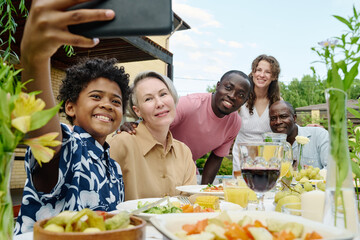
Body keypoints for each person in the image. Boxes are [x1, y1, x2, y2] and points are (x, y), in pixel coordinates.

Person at [15, 0, 129, 234]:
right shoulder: (67, 144)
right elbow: (44, 132)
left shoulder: (115, 168)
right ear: (70, 107)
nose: (107, 105)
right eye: (96, 96)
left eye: (116, 101)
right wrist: (35, 58)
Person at [120, 70, 252, 184]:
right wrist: (136, 124)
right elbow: (154, 122)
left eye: (241, 95)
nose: (232, 96)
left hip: (185, 167)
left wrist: (204, 192)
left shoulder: (235, 123)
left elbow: (216, 158)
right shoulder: (190, 105)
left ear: (245, 101)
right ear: (218, 86)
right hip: (155, 160)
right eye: (228, 87)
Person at [108, 71, 197, 200]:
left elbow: (190, 201)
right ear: (137, 111)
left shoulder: (184, 152)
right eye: (148, 99)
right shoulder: (121, 143)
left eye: (163, 94)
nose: (160, 103)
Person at [232, 54, 281, 173]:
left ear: (274, 76)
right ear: (253, 72)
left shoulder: (278, 102)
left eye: (268, 72)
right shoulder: (241, 98)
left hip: (267, 160)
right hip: (242, 157)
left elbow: (287, 126)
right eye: (258, 70)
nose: (262, 75)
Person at [269, 100, 329, 169]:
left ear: (294, 118)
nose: (278, 122)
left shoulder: (319, 135)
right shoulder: (270, 145)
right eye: (273, 118)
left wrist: (313, 175)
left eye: (283, 116)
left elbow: (332, 169)